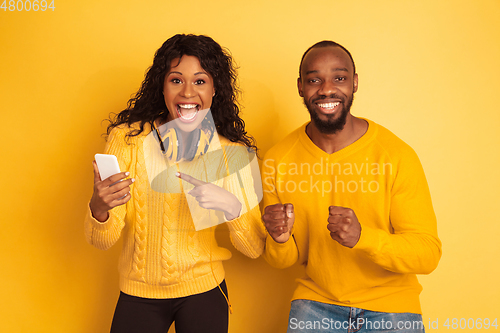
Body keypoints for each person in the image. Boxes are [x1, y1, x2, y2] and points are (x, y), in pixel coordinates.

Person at [85, 34, 265, 333]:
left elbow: (255, 248)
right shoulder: (127, 140)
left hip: (204, 291)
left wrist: (232, 208)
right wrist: (99, 207)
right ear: (163, 86)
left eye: (200, 81)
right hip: (138, 292)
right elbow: (101, 240)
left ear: (214, 89)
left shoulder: (231, 154)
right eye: (176, 80)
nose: (187, 93)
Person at [261, 40, 442, 332]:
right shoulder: (278, 159)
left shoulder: (395, 155)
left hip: (391, 304)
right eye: (314, 80)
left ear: (354, 83)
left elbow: (428, 253)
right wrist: (279, 238)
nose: (327, 89)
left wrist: (364, 237)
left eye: (339, 78)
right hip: (314, 303)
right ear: (300, 87)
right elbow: (284, 261)